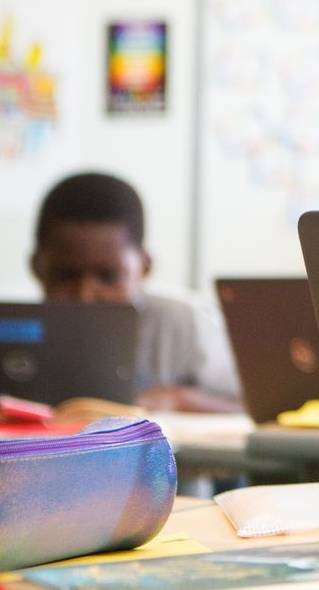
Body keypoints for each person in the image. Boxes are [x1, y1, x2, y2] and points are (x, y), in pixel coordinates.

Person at [29, 171, 242, 413]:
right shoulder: (7, 331)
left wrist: (181, 400)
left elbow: (261, 410)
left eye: (108, 276)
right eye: (65, 276)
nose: (85, 295)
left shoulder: (184, 322)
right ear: (37, 267)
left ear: (144, 266)